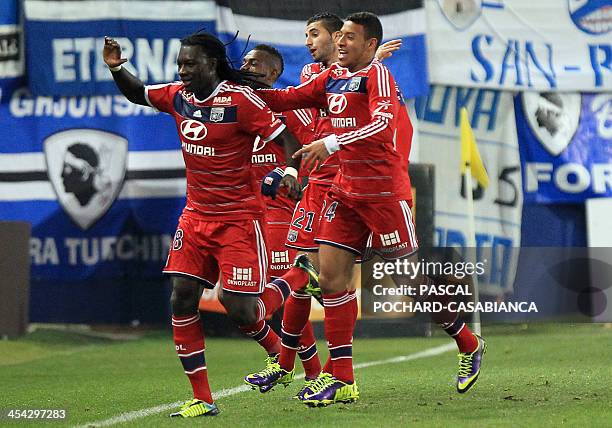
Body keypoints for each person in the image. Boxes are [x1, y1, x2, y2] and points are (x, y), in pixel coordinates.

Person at [255, 12, 486, 406]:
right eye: (339, 36)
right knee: (330, 281)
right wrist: (243, 86)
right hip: (345, 194)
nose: (341, 43)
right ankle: (341, 377)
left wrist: (330, 143)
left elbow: (381, 124)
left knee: (410, 286)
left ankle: (468, 342)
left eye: (349, 37)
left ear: (370, 45)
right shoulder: (330, 78)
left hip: (383, 197)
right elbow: (287, 98)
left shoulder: (377, 76)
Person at [102, 31, 308, 418]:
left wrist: (291, 171)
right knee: (181, 297)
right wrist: (117, 67)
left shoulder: (241, 101)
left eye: (190, 64)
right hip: (195, 217)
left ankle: (297, 278)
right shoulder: (179, 96)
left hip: (238, 220)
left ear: (211, 64)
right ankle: (203, 397)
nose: (182, 71)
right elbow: (139, 93)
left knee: (241, 310)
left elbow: (287, 140)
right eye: (180, 63)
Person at [243, 12, 409, 401]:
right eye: (306, 34)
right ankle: (312, 371)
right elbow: (298, 102)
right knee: (322, 280)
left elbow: (310, 135)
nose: (308, 41)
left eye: (314, 34)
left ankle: (465, 339)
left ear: (341, 37)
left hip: (348, 184)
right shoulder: (314, 76)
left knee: (404, 281)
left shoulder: (367, 76)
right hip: (326, 188)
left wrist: (290, 166)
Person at [238, 44, 323, 390]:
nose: (245, 66)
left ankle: (309, 369)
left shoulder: (291, 110)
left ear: (273, 73)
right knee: (244, 299)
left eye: (254, 63)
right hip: (243, 213)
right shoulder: (236, 104)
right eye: (243, 61)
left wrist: (288, 173)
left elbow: (313, 154)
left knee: (281, 287)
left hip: (279, 211)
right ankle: (288, 361)